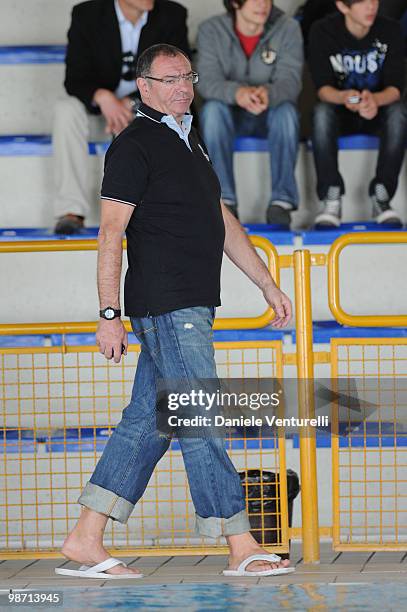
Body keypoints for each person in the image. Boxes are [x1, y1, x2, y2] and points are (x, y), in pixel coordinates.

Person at [55, 43, 295, 580]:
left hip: (190, 305)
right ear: (143, 87)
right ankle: (239, 541)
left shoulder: (190, 142)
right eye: (170, 79)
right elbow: (110, 235)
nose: (183, 87)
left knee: (149, 421)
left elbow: (222, 220)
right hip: (167, 307)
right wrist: (108, 312)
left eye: (187, 76)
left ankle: (85, 537)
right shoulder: (134, 145)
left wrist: (267, 285)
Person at [52, 0, 190, 235]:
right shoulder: (86, 14)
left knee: (168, 113)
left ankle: (145, 210)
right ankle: (71, 210)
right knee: (65, 110)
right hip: (97, 106)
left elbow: (176, 76)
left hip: (145, 103)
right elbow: (74, 78)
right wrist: (103, 97)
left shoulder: (172, 14)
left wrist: (133, 102)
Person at [196, 0, 303, 228]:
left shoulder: (288, 27)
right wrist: (238, 93)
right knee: (212, 110)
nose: (263, 5)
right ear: (235, 3)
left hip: (269, 113)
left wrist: (268, 93)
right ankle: (225, 201)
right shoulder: (211, 29)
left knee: (287, 112)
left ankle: (282, 202)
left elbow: (291, 82)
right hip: (230, 116)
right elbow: (205, 81)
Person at [309, 0, 407, 227]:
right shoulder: (323, 31)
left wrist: (374, 100)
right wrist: (344, 98)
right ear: (343, 6)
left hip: (378, 111)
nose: (371, 7)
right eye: (362, 2)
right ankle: (331, 196)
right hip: (341, 111)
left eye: (373, 0)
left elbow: (396, 88)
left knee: (399, 113)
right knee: (321, 114)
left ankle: (382, 195)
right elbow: (322, 89)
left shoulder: (389, 29)